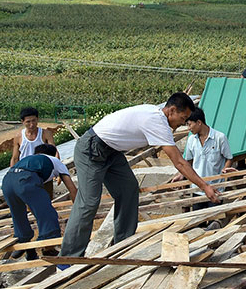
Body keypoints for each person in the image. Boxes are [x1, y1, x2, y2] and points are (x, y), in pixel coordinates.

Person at [60, 93, 220, 260]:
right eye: (182, 118)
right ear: (172, 110)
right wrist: (205, 186)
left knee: (128, 189)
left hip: (111, 151)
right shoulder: (157, 121)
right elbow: (179, 162)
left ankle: (123, 244)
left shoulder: (156, 114)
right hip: (91, 149)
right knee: (89, 203)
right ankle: (68, 257)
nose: (182, 124)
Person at [2, 144, 77, 260]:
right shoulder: (55, 162)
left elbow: (37, 199)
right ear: (52, 154)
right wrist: (79, 211)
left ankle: (25, 244)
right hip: (26, 179)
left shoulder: (30, 161)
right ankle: (48, 249)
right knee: (48, 215)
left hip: (7, 181)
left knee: (18, 216)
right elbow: (72, 190)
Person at [171, 107, 235, 214]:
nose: (188, 128)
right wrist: (181, 174)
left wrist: (225, 169)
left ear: (199, 123)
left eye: (189, 124)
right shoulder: (192, 140)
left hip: (215, 189)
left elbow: (229, 158)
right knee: (198, 223)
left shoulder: (219, 137)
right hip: (197, 189)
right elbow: (188, 162)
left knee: (214, 221)